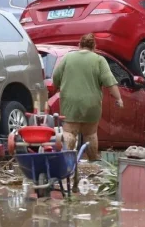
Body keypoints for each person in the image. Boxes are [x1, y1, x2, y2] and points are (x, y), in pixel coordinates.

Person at [52, 33, 123, 161]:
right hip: (92, 104)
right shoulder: (99, 60)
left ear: (79, 45)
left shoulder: (68, 57)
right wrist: (119, 99)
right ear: (94, 46)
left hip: (70, 102)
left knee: (69, 132)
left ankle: (66, 162)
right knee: (90, 134)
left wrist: (57, 86)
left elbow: (55, 77)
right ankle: (93, 162)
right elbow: (110, 81)